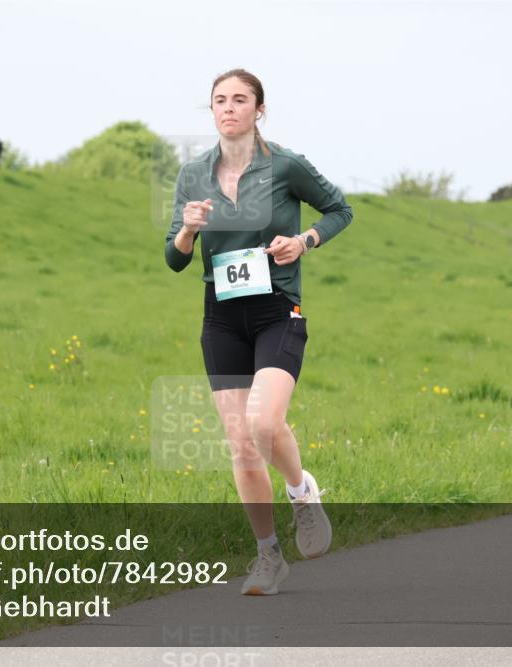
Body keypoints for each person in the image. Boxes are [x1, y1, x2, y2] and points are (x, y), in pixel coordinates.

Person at [164, 69, 353, 594]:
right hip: (221, 316)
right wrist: (187, 230)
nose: (229, 108)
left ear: (258, 109)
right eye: (220, 100)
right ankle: (268, 557)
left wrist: (306, 239)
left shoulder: (284, 165)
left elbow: (341, 208)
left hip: (276, 310)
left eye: (240, 100)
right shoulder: (192, 174)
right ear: (212, 110)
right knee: (241, 445)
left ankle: (302, 495)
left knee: (265, 424)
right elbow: (173, 260)